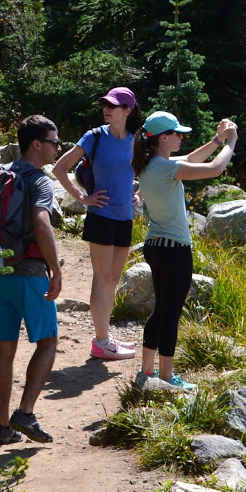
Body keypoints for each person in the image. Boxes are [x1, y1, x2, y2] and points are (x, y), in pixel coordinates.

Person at [0, 115, 62, 444]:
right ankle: (25, 413)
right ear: (36, 144)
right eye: (54, 142)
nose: (58, 148)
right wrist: (56, 270)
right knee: (47, 342)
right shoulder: (39, 180)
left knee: (5, 348)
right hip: (29, 273)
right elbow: (42, 224)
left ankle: (3, 427)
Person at [131, 110, 238, 390]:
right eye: (177, 134)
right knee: (171, 314)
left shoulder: (149, 164)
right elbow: (215, 169)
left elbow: (191, 160)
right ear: (163, 138)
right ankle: (166, 378)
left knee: (160, 311)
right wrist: (231, 143)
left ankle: (146, 372)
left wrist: (216, 139)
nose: (181, 137)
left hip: (154, 246)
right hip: (175, 249)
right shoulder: (164, 168)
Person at [53, 87, 142, 361]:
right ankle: (101, 341)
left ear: (127, 110)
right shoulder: (94, 137)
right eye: (105, 104)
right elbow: (60, 167)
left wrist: (138, 194)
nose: (106, 109)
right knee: (102, 278)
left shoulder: (137, 141)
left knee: (113, 279)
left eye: (113, 105)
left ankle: (105, 337)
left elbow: (149, 170)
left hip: (125, 216)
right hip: (101, 216)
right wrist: (82, 198)